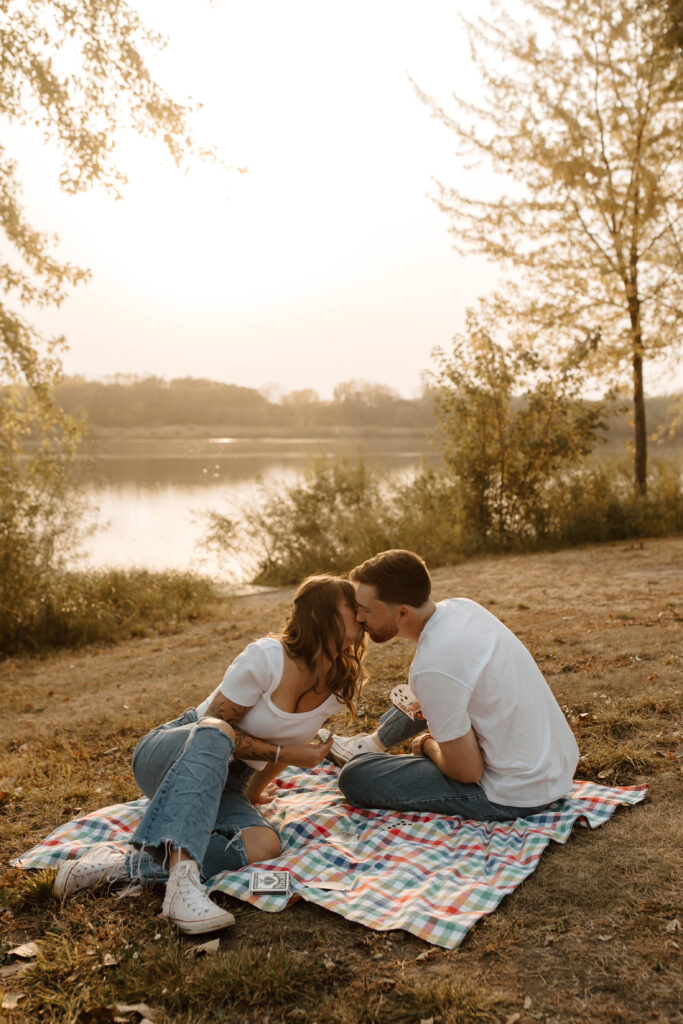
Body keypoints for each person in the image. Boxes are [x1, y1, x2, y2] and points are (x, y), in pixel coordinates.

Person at [54, 575, 366, 934]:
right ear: (318, 615)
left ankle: (126, 865)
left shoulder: (338, 685)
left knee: (264, 844)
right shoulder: (267, 657)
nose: (360, 615)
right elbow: (216, 729)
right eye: (351, 607)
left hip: (227, 783)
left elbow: (288, 744)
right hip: (175, 752)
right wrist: (287, 753)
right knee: (218, 732)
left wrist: (253, 793)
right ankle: (181, 886)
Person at [323, 550, 579, 822]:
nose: (359, 618)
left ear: (402, 612)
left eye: (365, 610)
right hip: (555, 771)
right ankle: (371, 743)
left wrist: (426, 746)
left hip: (514, 795)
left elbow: (468, 773)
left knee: (356, 775)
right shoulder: (463, 608)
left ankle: (367, 752)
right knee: (425, 695)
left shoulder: (432, 666)